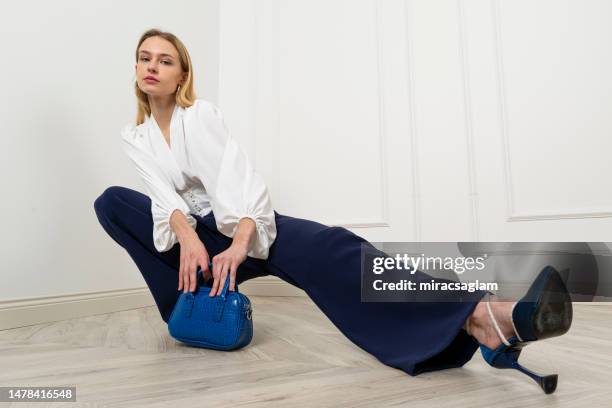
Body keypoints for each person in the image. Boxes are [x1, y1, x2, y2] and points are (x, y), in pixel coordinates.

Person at [93, 28, 572, 391]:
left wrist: (239, 244)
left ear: (182, 74)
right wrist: (191, 238)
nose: (152, 66)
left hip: (242, 228)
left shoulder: (201, 116)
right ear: (136, 69)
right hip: (197, 247)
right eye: (144, 58)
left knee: (337, 249)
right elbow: (161, 196)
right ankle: (185, 300)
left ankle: (484, 318)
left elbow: (240, 183)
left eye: (165, 60)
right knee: (112, 202)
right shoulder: (134, 137)